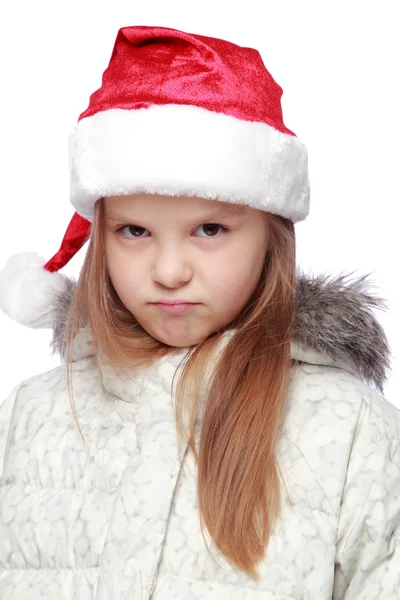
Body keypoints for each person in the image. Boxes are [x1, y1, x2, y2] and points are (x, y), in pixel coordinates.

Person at [0, 24, 399, 600]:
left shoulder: (351, 433)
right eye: (134, 230)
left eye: (209, 229)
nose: (168, 271)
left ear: (271, 235)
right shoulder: (30, 419)